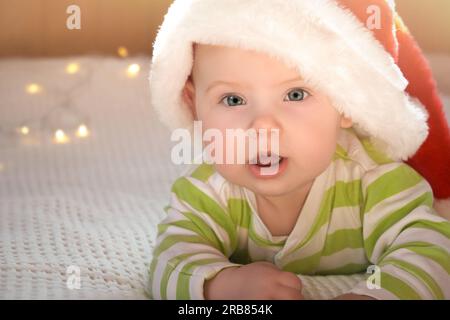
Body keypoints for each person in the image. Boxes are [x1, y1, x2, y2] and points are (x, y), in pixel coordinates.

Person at [148, 0, 450, 300]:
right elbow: (169, 261)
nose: (263, 126)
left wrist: (374, 294)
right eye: (233, 100)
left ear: (346, 100)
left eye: (295, 94)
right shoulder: (208, 191)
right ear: (194, 105)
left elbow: (432, 251)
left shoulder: (375, 180)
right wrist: (223, 285)